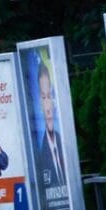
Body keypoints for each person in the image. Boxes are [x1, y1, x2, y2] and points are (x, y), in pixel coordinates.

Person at [36, 62, 66, 190]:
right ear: (39, 103)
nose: (48, 107)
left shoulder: (62, 141)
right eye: (43, 97)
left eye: (49, 96)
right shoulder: (40, 152)